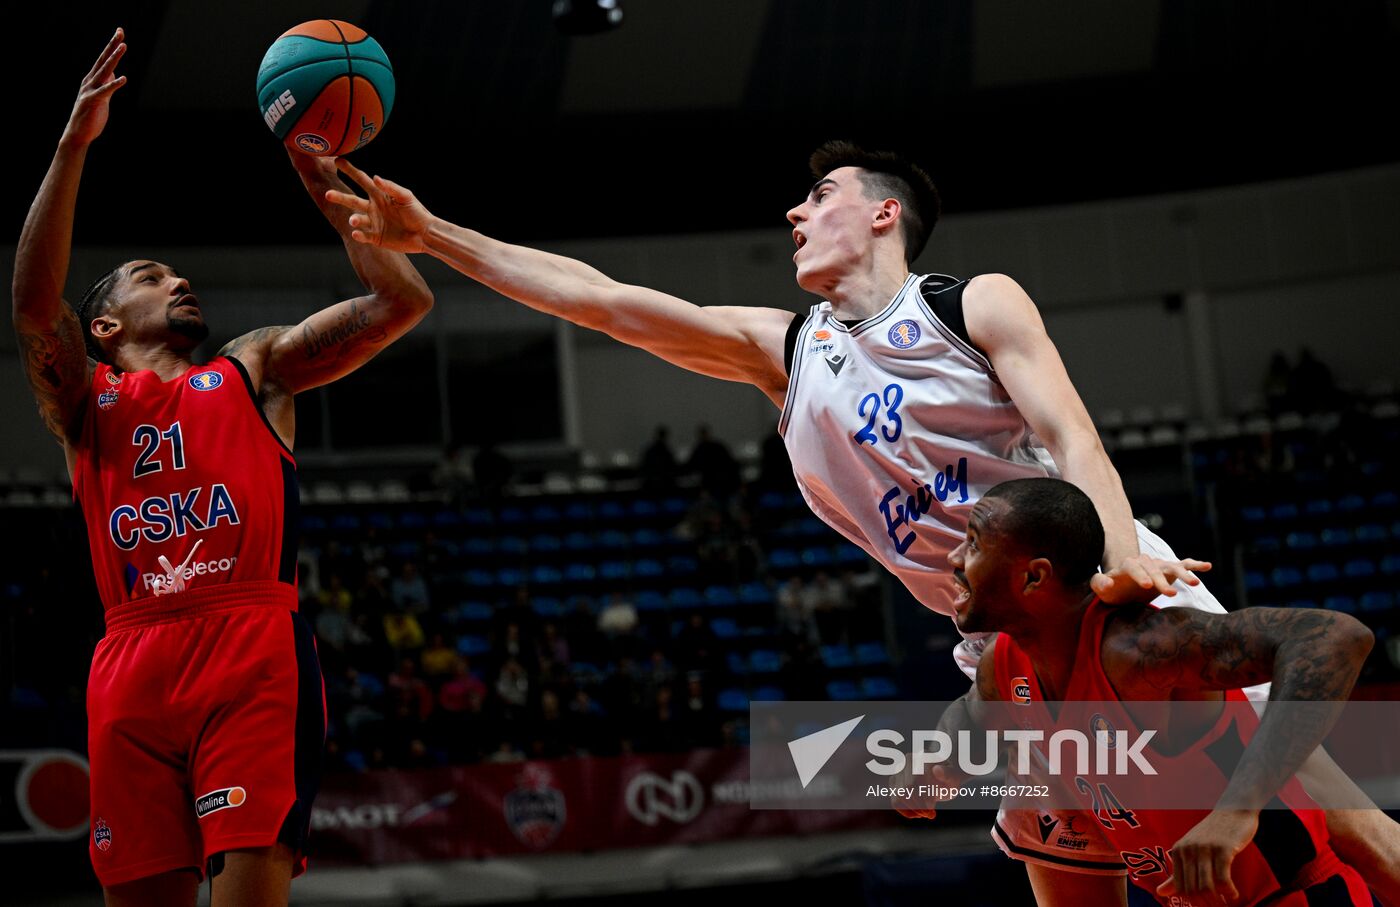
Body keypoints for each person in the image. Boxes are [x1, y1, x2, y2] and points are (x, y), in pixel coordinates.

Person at [321, 138, 1400, 888]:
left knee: (1343, 818)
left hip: (1099, 590)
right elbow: (597, 300)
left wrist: (1120, 559)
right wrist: (436, 237)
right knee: (1061, 866)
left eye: (819, 194)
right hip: (995, 657)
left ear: (882, 212)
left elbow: (1072, 437)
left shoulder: (966, 301)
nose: (794, 210)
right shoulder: (783, 352)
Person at [11, 32, 433, 906]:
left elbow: (403, 301)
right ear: (102, 328)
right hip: (131, 656)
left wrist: (325, 185)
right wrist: (71, 145)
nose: (179, 282)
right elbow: (29, 304)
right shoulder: (86, 406)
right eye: (152, 277)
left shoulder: (253, 367)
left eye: (178, 273)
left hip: (250, 648)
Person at [917, 478, 1379, 906]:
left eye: (973, 544)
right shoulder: (1005, 662)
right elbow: (972, 712)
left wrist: (1236, 812)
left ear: (1034, 577)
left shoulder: (1139, 647)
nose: (955, 560)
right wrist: (936, 763)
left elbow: (1335, 636)